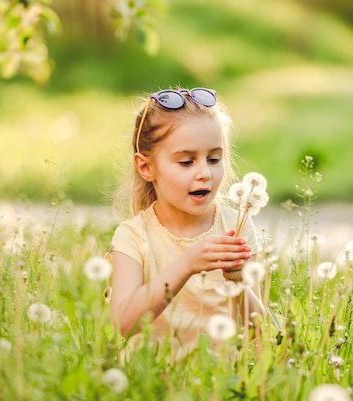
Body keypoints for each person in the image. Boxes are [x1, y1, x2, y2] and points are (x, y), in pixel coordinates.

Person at [107, 87, 265, 361]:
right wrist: (187, 264)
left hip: (218, 384)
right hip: (151, 381)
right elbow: (125, 323)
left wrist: (238, 280)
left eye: (214, 159)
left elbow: (257, 328)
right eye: (186, 162)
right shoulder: (133, 236)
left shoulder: (236, 226)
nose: (204, 173)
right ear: (146, 167)